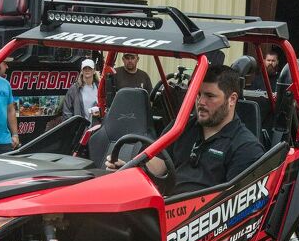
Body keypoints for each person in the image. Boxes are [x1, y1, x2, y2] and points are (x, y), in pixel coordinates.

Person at [107, 65, 265, 195]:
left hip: (203, 222)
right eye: (198, 94)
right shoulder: (181, 127)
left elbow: (234, 208)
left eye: (210, 96)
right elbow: (153, 169)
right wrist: (127, 171)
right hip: (165, 208)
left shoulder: (246, 148)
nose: (201, 102)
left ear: (232, 99)